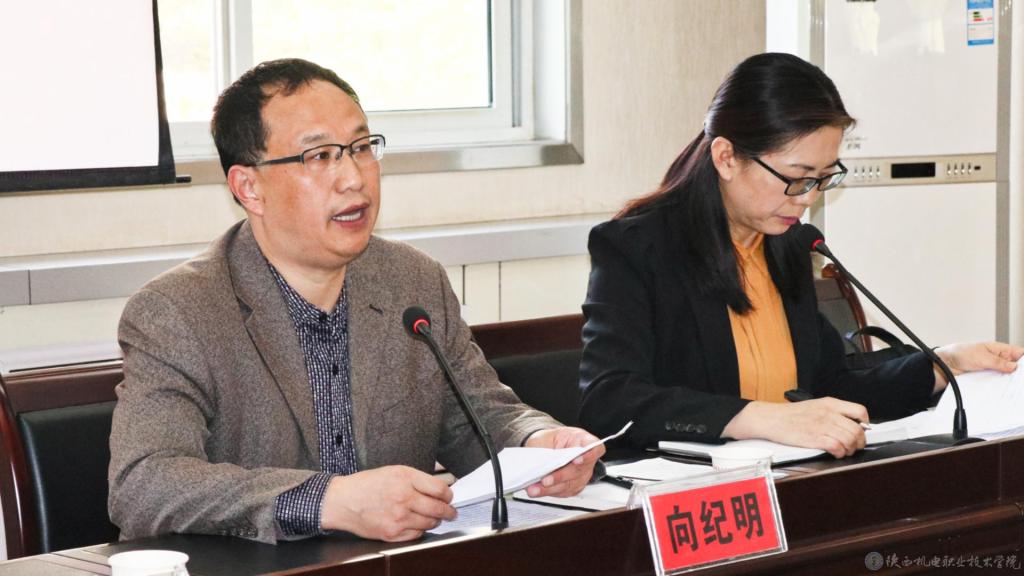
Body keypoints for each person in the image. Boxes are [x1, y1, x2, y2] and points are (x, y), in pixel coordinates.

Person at [108, 58, 603, 545]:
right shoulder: (178, 311)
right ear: (249, 187)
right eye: (320, 156)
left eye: (361, 148)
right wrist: (329, 500)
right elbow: (145, 483)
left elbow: (476, 415)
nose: (354, 178)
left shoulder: (412, 281)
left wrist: (539, 442)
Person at [577, 52, 1023, 459]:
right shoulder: (637, 247)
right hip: (688, 492)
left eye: (823, 178)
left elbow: (832, 387)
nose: (808, 198)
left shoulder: (785, 243)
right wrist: (760, 418)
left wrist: (945, 365)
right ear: (726, 157)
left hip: (792, 480)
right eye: (797, 176)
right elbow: (609, 400)